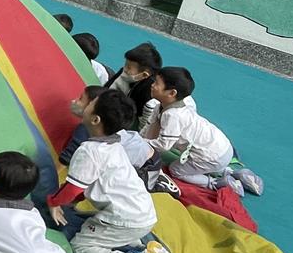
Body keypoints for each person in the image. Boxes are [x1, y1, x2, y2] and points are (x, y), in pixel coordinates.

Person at [47, 90, 157, 253]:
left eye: (90, 103)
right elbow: (87, 182)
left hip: (126, 218)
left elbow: (73, 187)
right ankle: (138, 246)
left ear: (95, 119)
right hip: (144, 214)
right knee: (98, 224)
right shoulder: (115, 145)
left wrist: (53, 202)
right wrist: (74, 201)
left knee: (80, 246)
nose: (86, 103)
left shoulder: (89, 151)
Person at [147, 67, 263, 196]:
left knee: (176, 170)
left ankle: (215, 183)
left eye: (157, 83)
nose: (152, 85)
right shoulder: (179, 105)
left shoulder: (172, 116)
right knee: (205, 161)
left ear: (172, 93)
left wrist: (141, 142)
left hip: (213, 157)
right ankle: (230, 172)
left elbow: (164, 145)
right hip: (223, 148)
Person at [59, 86, 180, 199]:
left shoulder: (85, 129)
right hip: (144, 152)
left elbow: (66, 158)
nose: (74, 101)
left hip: (146, 164)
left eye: (81, 100)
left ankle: (158, 183)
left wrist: (55, 175)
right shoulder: (106, 125)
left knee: (136, 187)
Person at [104, 42, 162, 121]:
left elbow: (139, 116)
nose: (124, 69)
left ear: (144, 75)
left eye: (128, 67)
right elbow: (106, 88)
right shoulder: (124, 72)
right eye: (125, 64)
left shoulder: (148, 91)